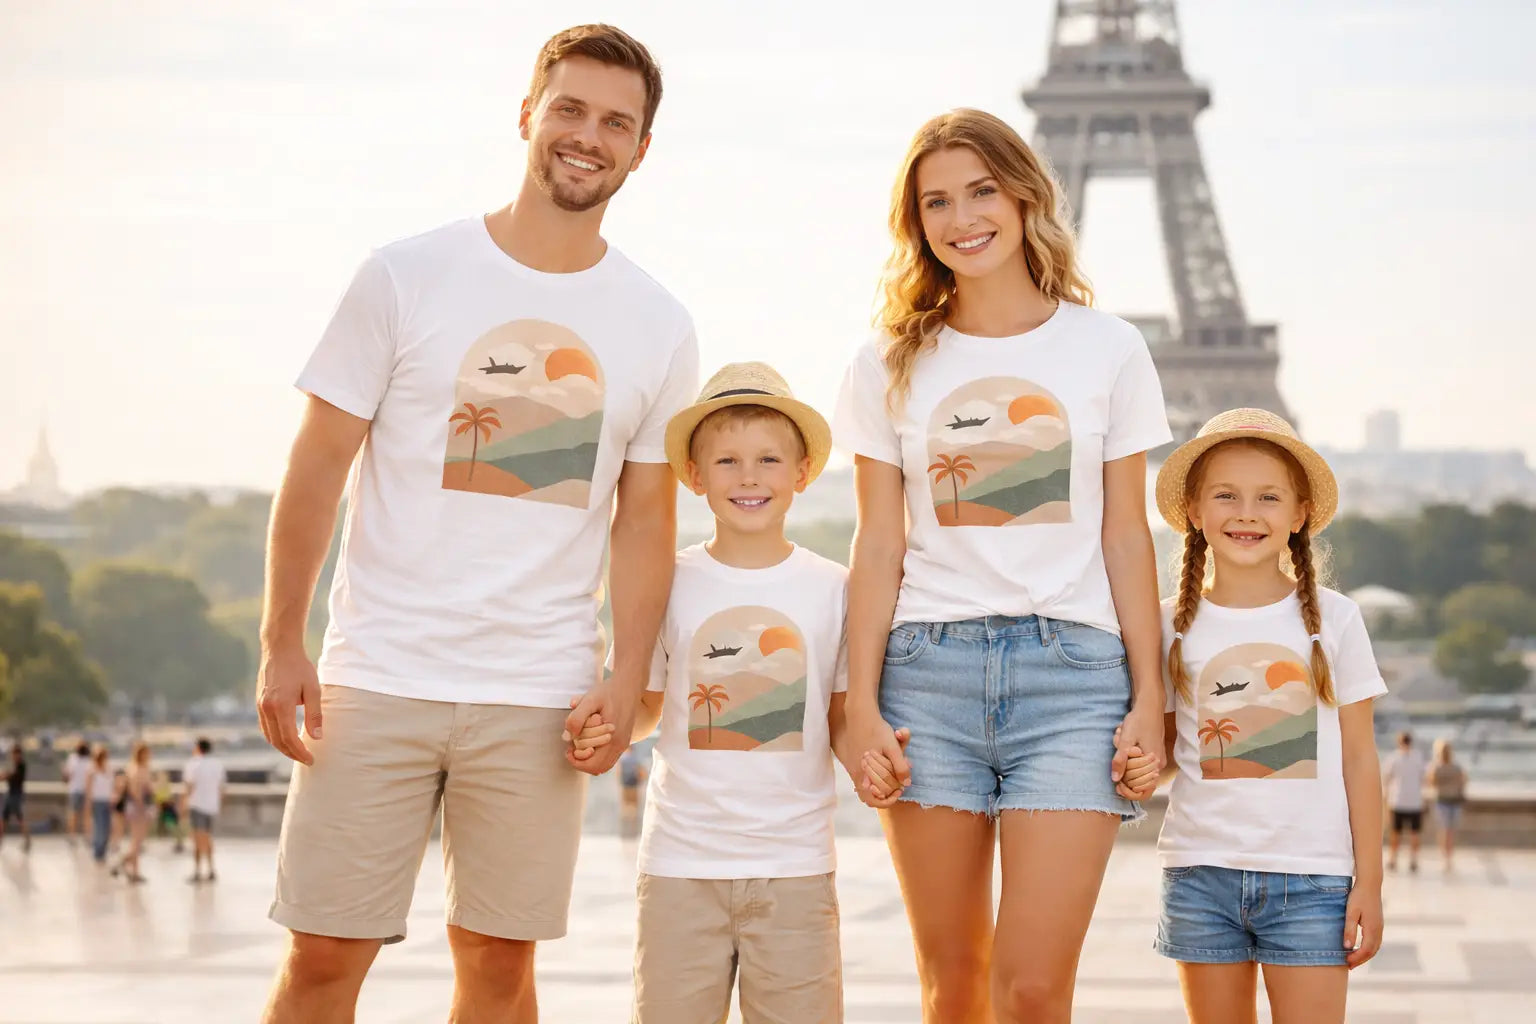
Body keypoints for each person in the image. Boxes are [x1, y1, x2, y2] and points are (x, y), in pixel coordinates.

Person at [255, 24, 696, 1024]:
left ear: (640, 150)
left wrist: (628, 677)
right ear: (528, 113)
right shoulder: (406, 274)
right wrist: (282, 639)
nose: (589, 135)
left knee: (500, 971)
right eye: (571, 109)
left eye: (616, 122)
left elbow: (644, 523)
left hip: (538, 692)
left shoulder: (659, 322)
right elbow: (318, 464)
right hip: (376, 672)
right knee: (324, 954)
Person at [838, 108, 1172, 1023]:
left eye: (981, 190)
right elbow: (878, 547)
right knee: (951, 984)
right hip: (926, 680)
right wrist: (858, 704)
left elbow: (1128, 538)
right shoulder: (888, 363)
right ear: (916, 222)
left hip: (1074, 684)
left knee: (1031, 988)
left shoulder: (1109, 348)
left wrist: (1153, 699)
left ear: (1026, 196)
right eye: (935, 200)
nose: (962, 217)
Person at [619, 362, 859, 1022]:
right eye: (726, 461)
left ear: (802, 473)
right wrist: (598, 720)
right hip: (678, 866)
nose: (748, 477)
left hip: (795, 867)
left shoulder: (836, 589)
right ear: (695, 478)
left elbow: (840, 717)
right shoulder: (663, 581)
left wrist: (876, 757)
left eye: (768, 459)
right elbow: (643, 707)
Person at [1148, 409, 1385, 1023]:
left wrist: (1371, 884)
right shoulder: (1164, 624)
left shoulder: (1338, 620)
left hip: (1312, 882)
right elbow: (1168, 753)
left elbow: (1360, 761)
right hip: (1201, 874)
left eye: (1268, 497)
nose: (1246, 512)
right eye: (1226, 495)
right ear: (1195, 513)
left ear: (1300, 514)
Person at [1382, 731, 1428, 872]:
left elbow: (1386, 778)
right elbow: (1424, 778)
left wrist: (1386, 796)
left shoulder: (1393, 758)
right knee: (1415, 833)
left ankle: (1393, 859)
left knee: (1395, 832)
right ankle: (1413, 860)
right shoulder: (1418, 757)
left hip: (1397, 800)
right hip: (1414, 800)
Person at [183, 737, 226, 883]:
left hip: (197, 805)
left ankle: (197, 871)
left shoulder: (193, 764)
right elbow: (221, 787)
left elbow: (189, 786)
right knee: (207, 838)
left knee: (198, 839)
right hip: (212, 806)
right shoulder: (217, 764)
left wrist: (183, 805)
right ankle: (211, 869)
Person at [114, 741, 154, 884]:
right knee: (137, 841)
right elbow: (135, 790)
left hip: (136, 807)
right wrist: (142, 806)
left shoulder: (136, 768)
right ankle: (124, 864)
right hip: (138, 807)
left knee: (136, 841)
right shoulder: (137, 769)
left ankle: (133, 870)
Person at [1426, 738, 1467, 872]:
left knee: (1446, 830)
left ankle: (1446, 856)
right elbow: (1463, 781)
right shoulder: (1455, 767)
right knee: (1448, 831)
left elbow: (1431, 783)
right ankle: (1447, 856)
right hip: (1449, 801)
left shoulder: (1437, 767)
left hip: (1445, 801)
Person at [84, 746, 114, 863]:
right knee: (99, 826)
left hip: (107, 800)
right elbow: (88, 788)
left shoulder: (108, 769)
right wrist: (89, 802)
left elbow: (112, 785)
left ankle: (103, 850)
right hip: (97, 801)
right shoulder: (92, 771)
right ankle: (97, 851)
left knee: (107, 827)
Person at [1, 743, 30, 853]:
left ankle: (27, 840)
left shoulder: (21, 765)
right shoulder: (14, 764)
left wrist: (4, 776)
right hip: (10, 794)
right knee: (3, 819)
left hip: (16, 795)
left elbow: (12, 776)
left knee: (20, 819)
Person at [64, 741, 90, 845]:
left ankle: (76, 835)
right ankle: (82, 836)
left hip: (78, 790)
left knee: (77, 814)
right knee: (80, 814)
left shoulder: (73, 759)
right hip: (80, 790)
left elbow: (67, 774)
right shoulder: (84, 759)